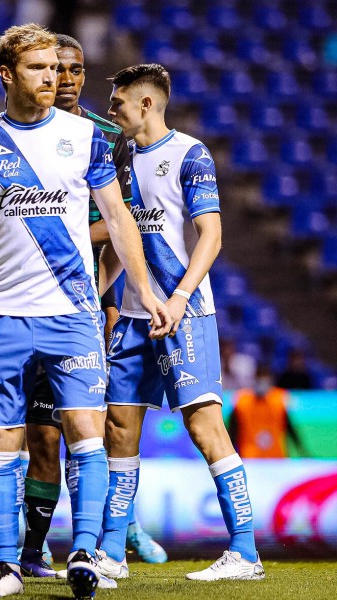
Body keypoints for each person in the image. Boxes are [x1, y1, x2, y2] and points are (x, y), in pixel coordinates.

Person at [0, 24, 171, 597]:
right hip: (2, 315)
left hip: (73, 313)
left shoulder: (85, 138)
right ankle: (6, 566)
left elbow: (121, 219)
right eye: (38, 69)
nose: (51, 78)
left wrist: (146, 292)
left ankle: (84, 553)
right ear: (7, 75)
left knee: (85, 430)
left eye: (55, 69)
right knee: (1, 438)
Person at [99, 63, 264, 582]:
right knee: (118, 427)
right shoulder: (118, 157)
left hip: (183, 311)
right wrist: (105, 297)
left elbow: (211, 236)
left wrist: (181, 297)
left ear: (146, 103)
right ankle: (110, 551)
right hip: (130, 315)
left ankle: (244, 551)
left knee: (204, 425)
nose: (111, 111)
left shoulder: (189, 154)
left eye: (119, 102)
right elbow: (121, 237)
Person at [23, 34, 167, 579]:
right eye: (58, 68)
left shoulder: (105, 134)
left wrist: (99, 284)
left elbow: (122, 218)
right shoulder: (13, 132)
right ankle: (34, 551)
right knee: (39, 434)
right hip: (23, 299)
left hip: (90, 297)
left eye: (77, 70)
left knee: (93, 427)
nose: (68, 78)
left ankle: (109, 534)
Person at [228, 364, 307, 458]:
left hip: (276, 458)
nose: (262, 382)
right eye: (259, 377)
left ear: (271, 380)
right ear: (254, 379)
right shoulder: (242, 400)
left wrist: (302, 451)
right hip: (249, 458)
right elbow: (232, 431)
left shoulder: (280, 398)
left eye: (265, 378)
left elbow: (290, 428)